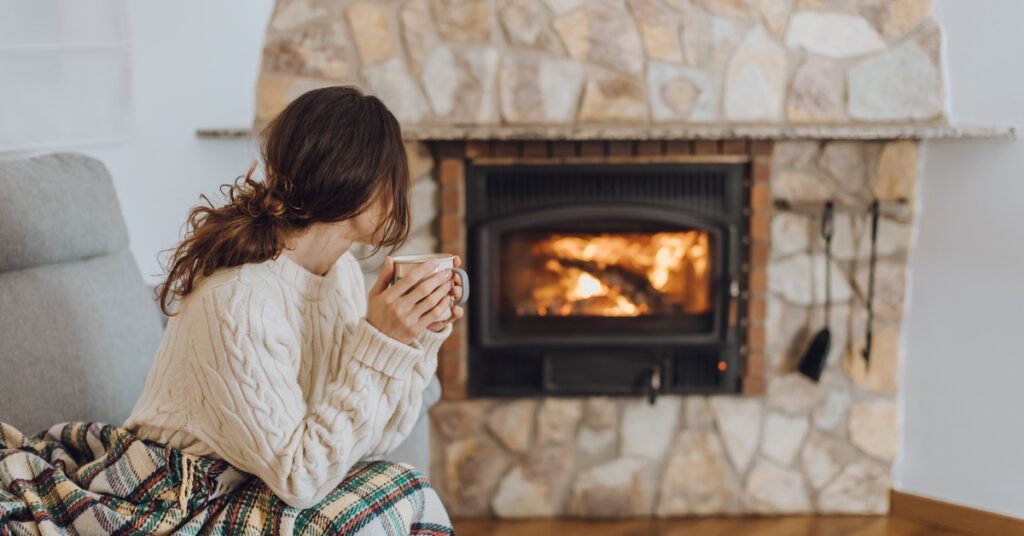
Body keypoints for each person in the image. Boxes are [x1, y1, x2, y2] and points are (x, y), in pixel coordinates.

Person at [124, 85, 463, 510]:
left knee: (406, 487)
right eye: (394, 176)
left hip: (257, 479)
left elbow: (375, 441)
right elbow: (300, 479)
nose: (400, 195)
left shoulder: (341, 274)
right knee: (391, 504)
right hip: (178, 492)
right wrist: (381, 342)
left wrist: (415, 338)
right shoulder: (241, 302)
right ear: (357, 182)